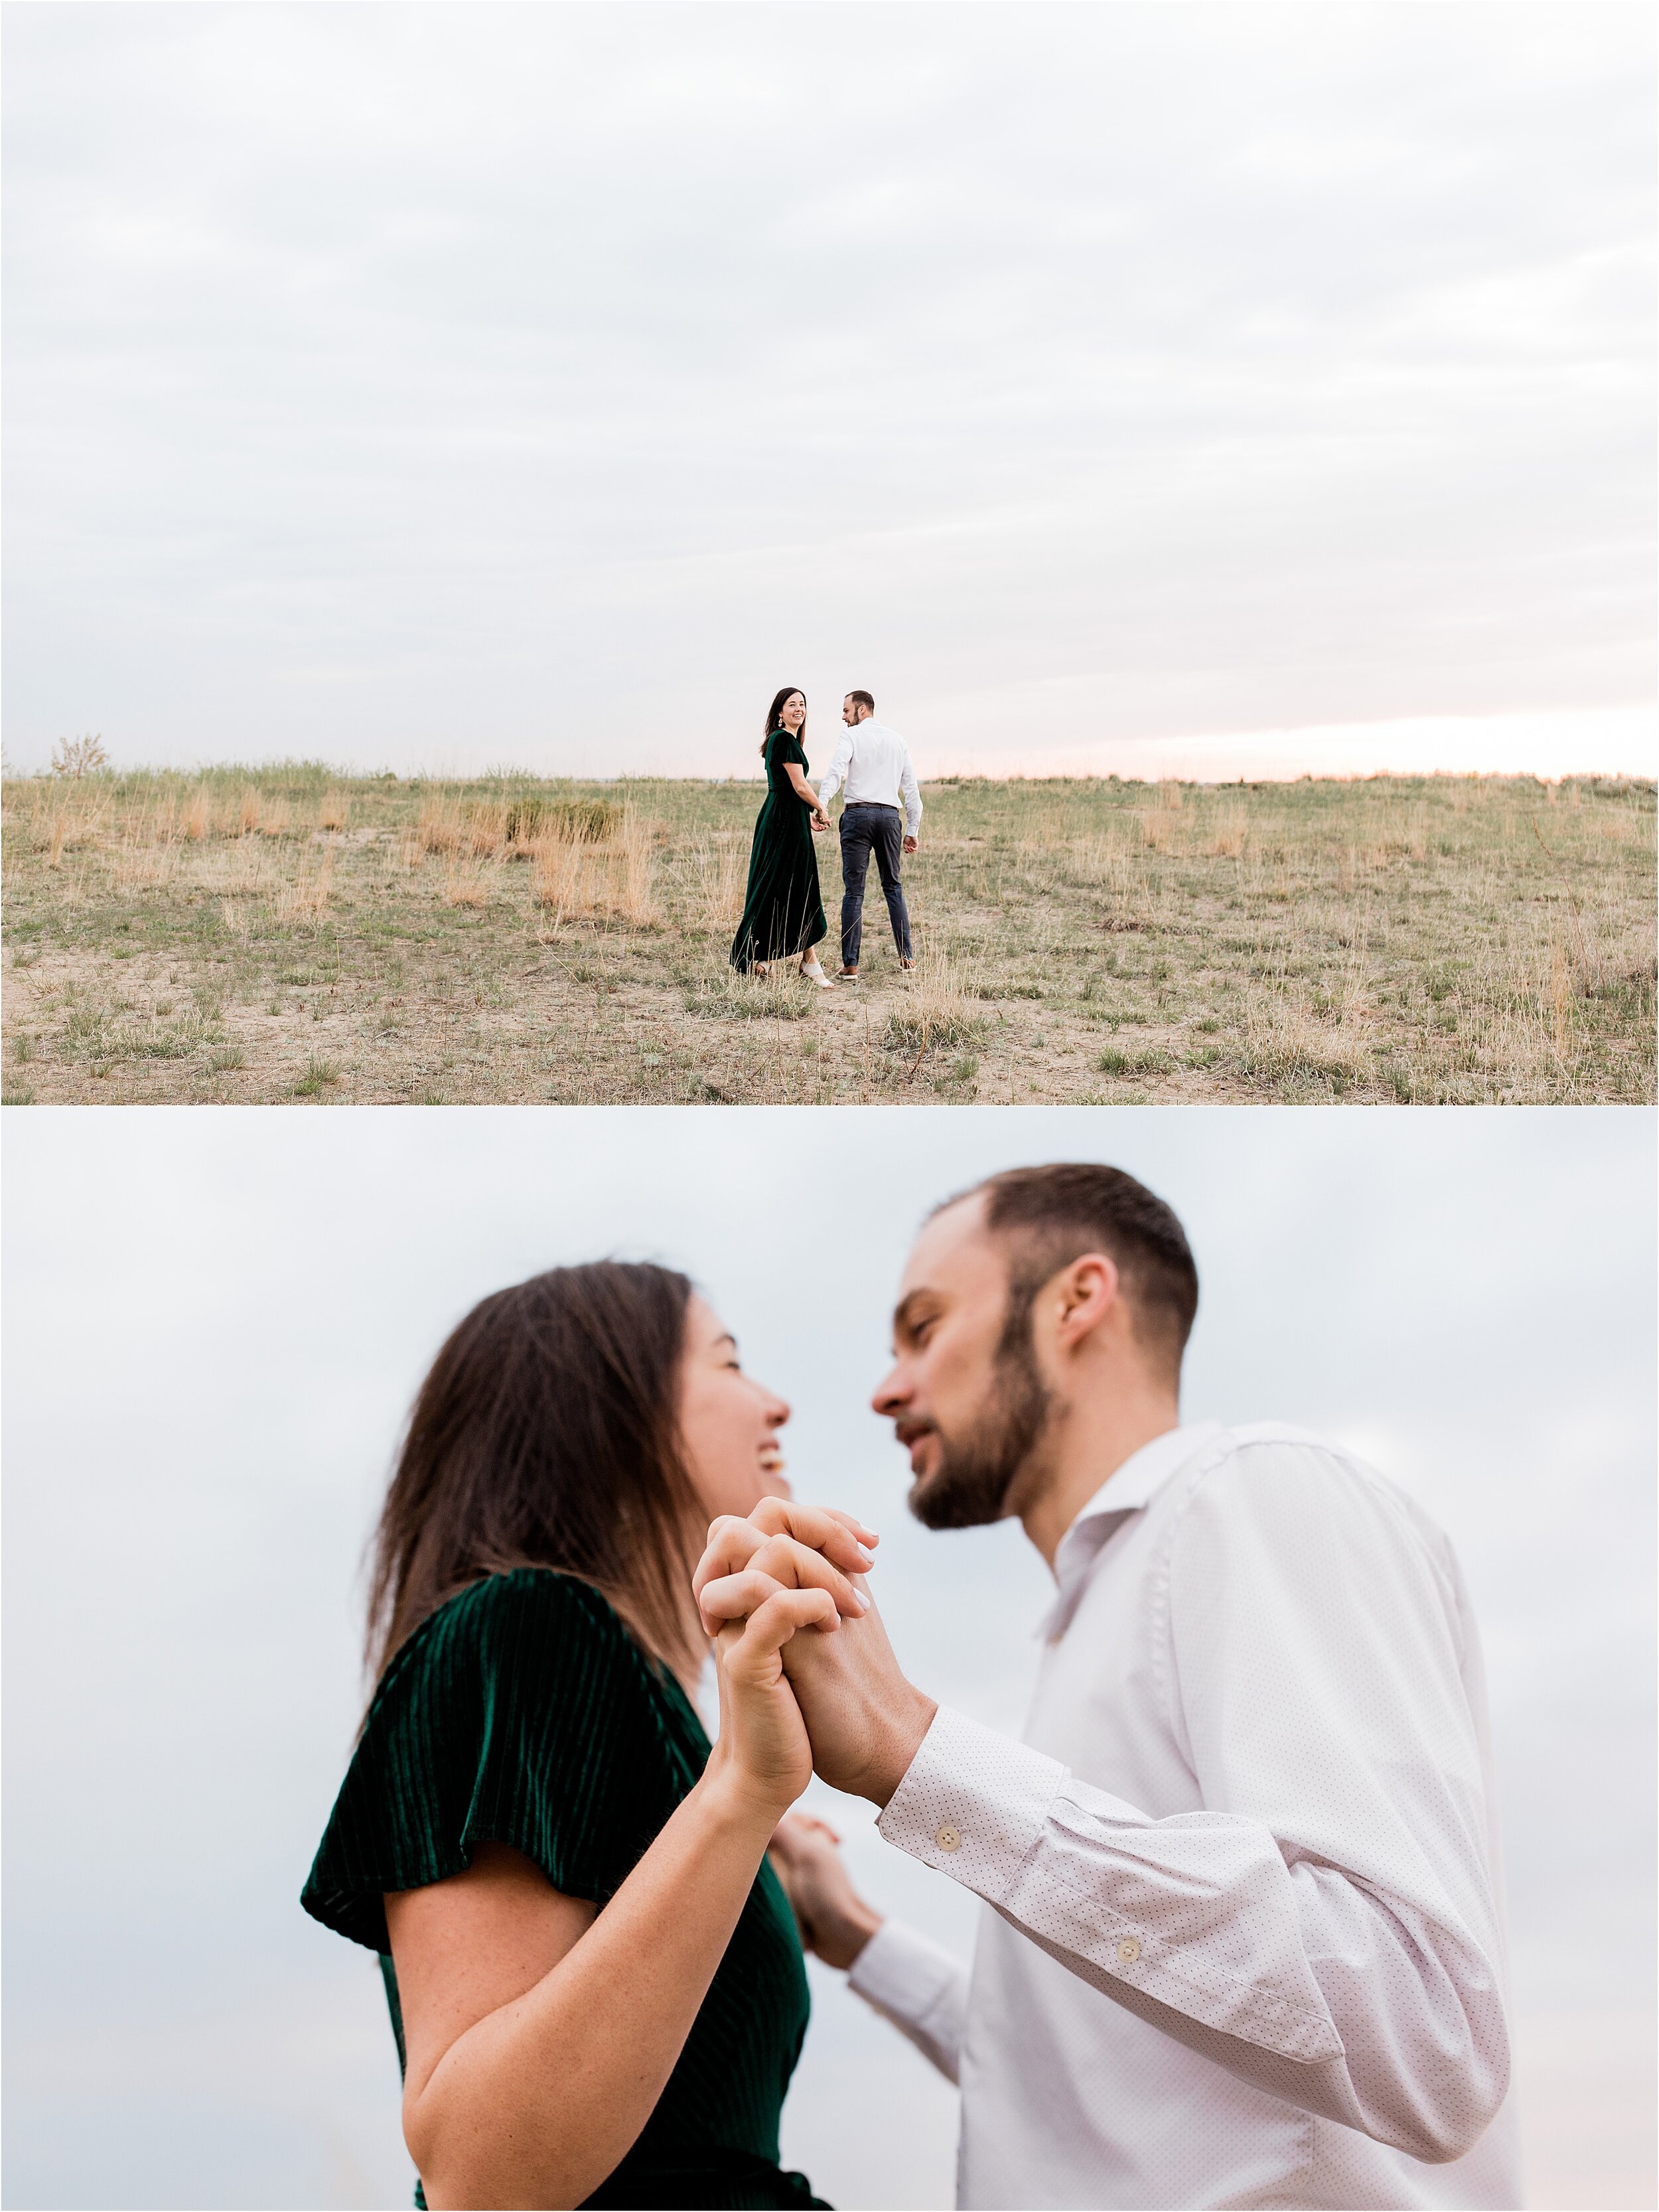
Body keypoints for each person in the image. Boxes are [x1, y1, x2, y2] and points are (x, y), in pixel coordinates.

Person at [699, 1164, 1523, 2211]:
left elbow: (1425, 2029)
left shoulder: (1254, 1496)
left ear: (1078, 1300)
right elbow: (1104, 2097)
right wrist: (862, 1939)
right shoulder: (1093, 1616)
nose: (885, 1387)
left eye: (923, 1326)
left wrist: (913, 1751)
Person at [300, 1261, 877, 2210]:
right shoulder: (529, 1627)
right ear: (615, 1409)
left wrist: (752, 1847)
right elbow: (479, 2177)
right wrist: (740, 1792)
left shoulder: (658, 1705)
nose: (774, 1404)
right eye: (730, 1362)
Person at [814, 691, 921, 981]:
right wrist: (912, 829)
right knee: (893, 887)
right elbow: (911, 789)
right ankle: (907, 959)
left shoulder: (850, 737)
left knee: (854, 891)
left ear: (862, 710)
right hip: (889, 817)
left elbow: (836, 772)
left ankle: (851, 965)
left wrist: (821, 806)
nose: (844, 716)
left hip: (858, 816)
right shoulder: (898, 740)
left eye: (847, 710)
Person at [731, 688, 833, 984]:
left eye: (802, 704)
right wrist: (821, 809)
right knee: (780, 886)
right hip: (781, 822)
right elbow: (800, 786)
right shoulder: (783, 739)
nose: (799, 709)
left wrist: (806, 817)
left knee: (793, 886)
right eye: (792, 705)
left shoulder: (786, 740)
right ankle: (759, 955)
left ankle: (800, 960)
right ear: (780, 712)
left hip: (789, 819)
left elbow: (794, 791)